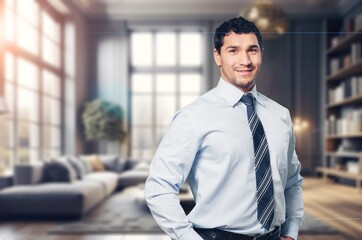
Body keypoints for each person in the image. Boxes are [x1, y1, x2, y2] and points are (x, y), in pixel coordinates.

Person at [145, 16, 303, 240]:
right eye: (233, 50)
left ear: (261, 54)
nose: (245, 60)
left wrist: (291, 230)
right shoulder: (193, 116)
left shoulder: (280, 115)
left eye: (252, 50)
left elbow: (292, 181)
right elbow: (159, 187)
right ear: (217, 56)